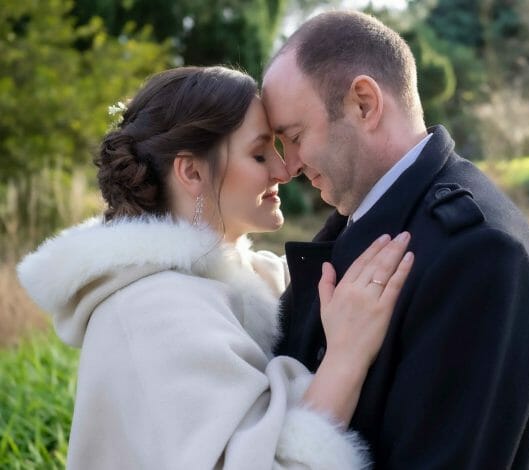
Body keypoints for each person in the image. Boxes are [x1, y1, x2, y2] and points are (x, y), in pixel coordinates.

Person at [17, 66, 415, 469]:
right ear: (191, 171)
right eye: (260, 153)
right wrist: (345, 358)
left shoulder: (246, 280)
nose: (283, 170)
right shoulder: (152, 312)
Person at [262, 10, 529, 469]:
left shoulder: (480, 253)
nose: (291, 165)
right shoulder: (367, 214)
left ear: (364, 102)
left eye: (295, 136)